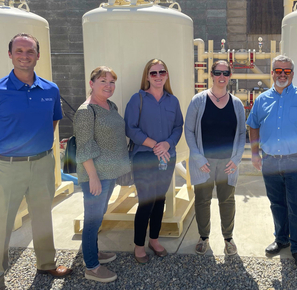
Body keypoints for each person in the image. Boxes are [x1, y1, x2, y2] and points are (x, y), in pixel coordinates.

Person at [0, 33, 72, 290]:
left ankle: (46, 263)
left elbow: (53, 122)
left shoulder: (50, 89)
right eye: (19, 51)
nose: (24, 55)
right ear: (10, 54)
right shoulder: (1, 90)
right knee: (2, 220)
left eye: (30, 51)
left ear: (38, 56)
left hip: (42, 163)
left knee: (43, 215)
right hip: (7, 166)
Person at [246, 54, 297, 269]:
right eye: (278, 70)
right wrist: (254, 153)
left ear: (292, 74)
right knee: (277, 204)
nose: (282, 74)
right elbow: (253, 125)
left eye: (286, 71)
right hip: (270, 161)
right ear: (272, 73)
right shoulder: (262, 99)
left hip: (296, 161)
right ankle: (281, 239)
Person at [73, 66, 131, 283]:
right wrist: (93, 177)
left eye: (112, 82)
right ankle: (92, 267)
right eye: (103, 81)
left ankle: (93, 252)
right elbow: (84, 147)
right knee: (91, 220)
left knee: (98, 216)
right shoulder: (86, 111)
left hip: (110, 173)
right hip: (95, 176)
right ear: (92, 84)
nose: (108, 86)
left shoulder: (110, 105)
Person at [125, 59, 183, 264]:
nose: (158, 76)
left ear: (167, 75)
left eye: (162, 72)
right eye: (153, 73)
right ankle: (139, 246)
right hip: (144, 157)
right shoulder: (137, 99)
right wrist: (154, 145)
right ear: (147, 76)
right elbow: (130, 128)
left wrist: (167, 144)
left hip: (167, 156)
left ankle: (154, 240)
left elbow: (178, 127)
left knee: (160, 200)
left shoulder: (172, 101)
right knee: (146, 201)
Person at [185, 60, 246, 256]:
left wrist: (236, 159)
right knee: (202, 200)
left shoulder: (236, 104)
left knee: (227, 200)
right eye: (218, 73)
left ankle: (228, 238)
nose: (221, 77)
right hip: (204, 163)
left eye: (225, 73)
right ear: (211, 74)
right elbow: (189, 130)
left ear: (230, 75)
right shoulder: (198, 100)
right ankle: (204, 237)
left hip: (228, 163)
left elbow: (242, 134)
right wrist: (197, 158)